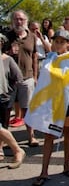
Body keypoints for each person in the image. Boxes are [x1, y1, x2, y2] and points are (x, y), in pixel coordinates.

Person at [31, 29, 69, 186]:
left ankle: (66, 165)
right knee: (48, 135)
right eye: (56, 41)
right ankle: (44, 171)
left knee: (68, 133)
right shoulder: (49, 57)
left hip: (68, 102)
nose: (58, 45)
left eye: (62, 42)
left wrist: (50, 68)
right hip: (51, 103)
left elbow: (63, 75)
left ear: (67, 44)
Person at [4, 10, 39, 146]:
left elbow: (35, 56)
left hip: (27, 78)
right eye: (16, 19)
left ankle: (31, 137)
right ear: (12, 21)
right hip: (9, 80)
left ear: (26, 21)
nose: (19, 22)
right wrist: (8, 52)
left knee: (28, 109)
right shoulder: (6, 37)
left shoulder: (32, 36)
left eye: (22, 19)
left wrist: (35, 76)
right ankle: (2, 142)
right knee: (6, 111)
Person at [0, 34, 23, 158]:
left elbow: (18, 77)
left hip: (3, 97)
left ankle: (12, 150)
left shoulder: (7, 59)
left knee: (2, 125)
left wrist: (10, 91)